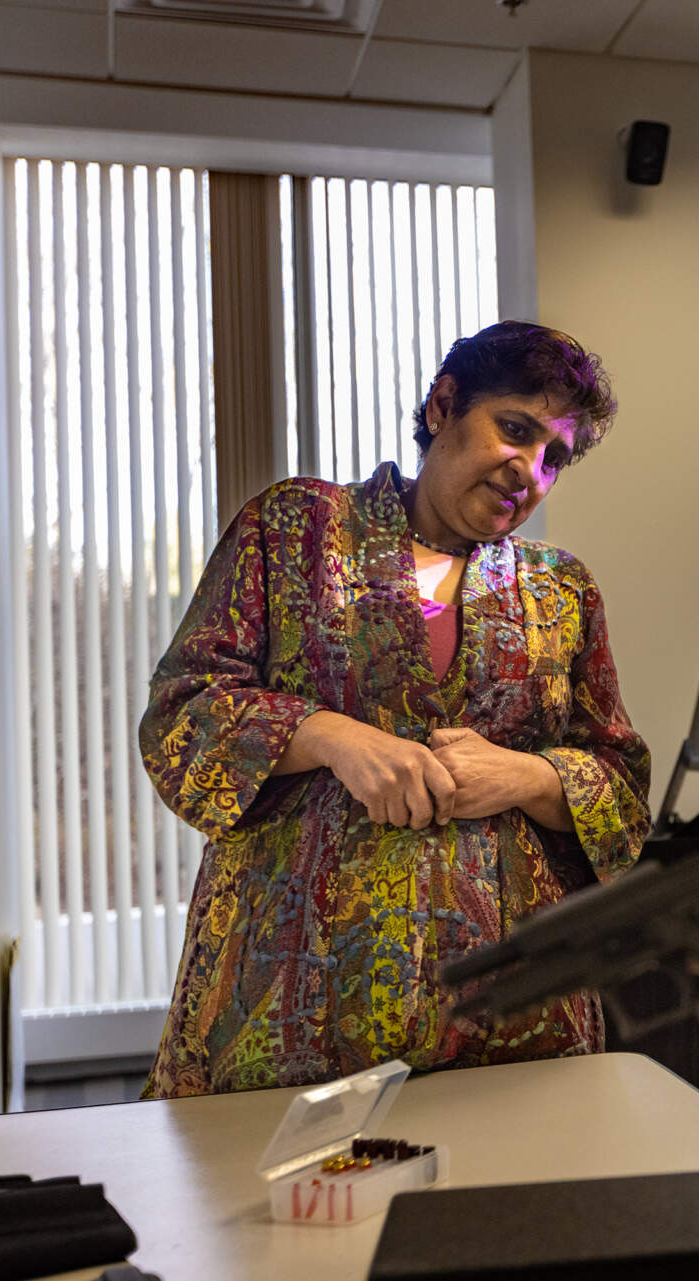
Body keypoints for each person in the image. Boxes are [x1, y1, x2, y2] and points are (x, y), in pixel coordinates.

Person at [142, 321, 650, 1098]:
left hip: (514, 1025)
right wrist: (328, 735)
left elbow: (621, 784)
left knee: (514, 1216)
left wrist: (523, 775)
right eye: (514, 429)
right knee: (280, 1216)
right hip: (290, 1008)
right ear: (444, 405)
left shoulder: (561, 589)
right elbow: (182, 714)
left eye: (554, 456)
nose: (530, 470)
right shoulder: (295, 530)